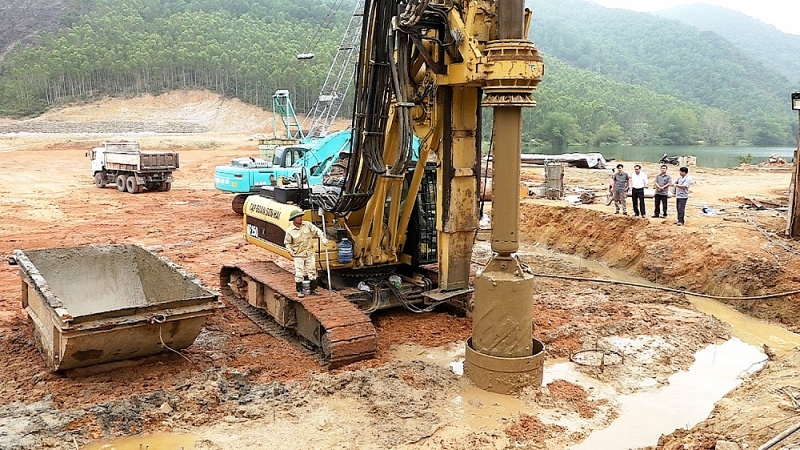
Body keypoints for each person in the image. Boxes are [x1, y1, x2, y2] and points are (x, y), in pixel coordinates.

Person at [284, 209, 328, 297]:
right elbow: (287, 243)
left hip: (309, 253)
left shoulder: (307, 225)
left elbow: (317, 231)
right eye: (298, 217)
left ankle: (313, 289)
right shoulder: (290, 231)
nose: (300, 218)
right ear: (294, 219)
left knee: (312, 271)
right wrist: (290, 251)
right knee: (299, 273)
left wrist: (322, 238)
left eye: (301, 216)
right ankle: (299, 290)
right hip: (298, 255)